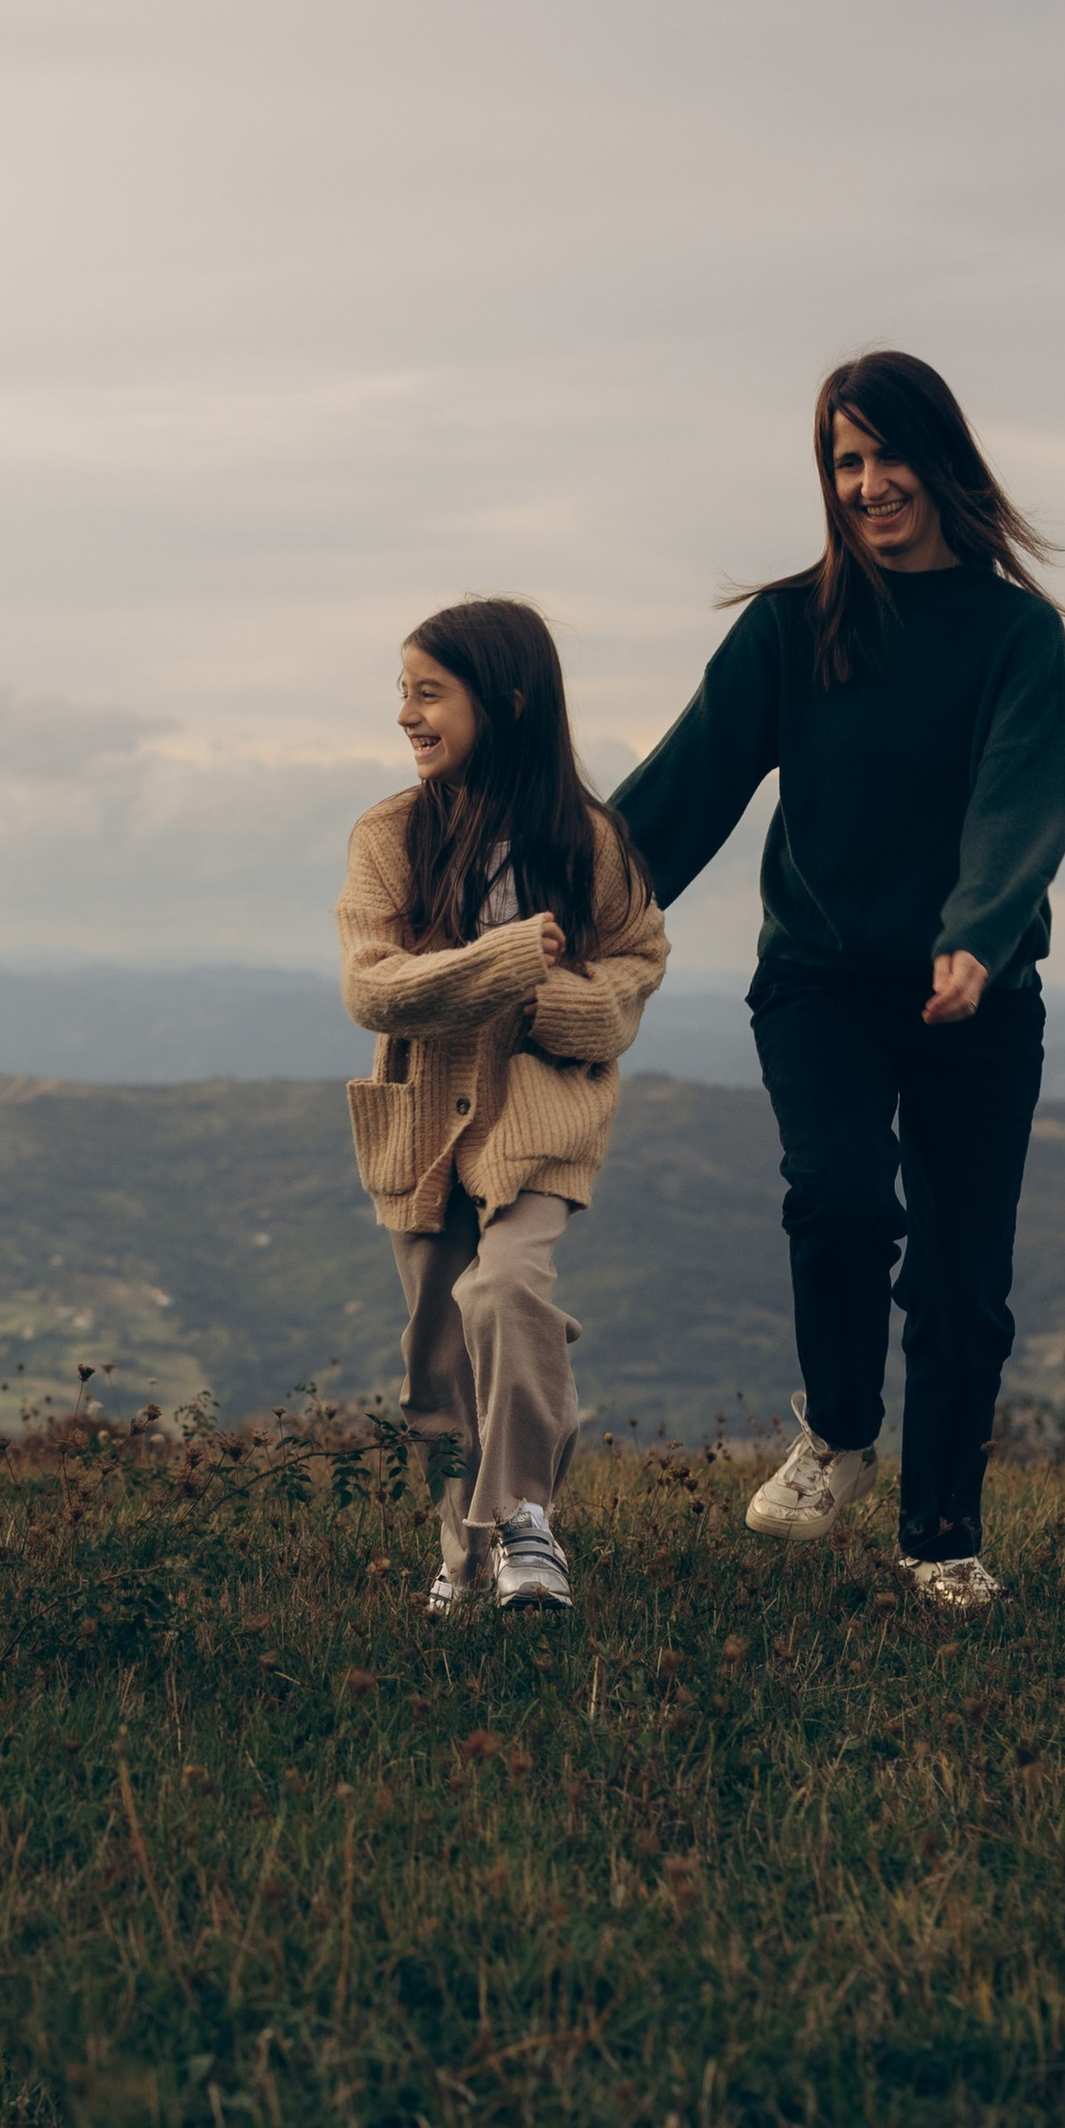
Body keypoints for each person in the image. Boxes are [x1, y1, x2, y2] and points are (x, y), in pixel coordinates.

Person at [613, 351, 1065, 1611]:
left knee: (962, 1283)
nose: (868, 484)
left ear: (942, 458)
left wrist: (978, 935)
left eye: (886, 454)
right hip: (819, 978)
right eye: (843, 461)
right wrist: (560, 908)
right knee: (837, 1198)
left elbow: (1021, 801)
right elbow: (682, 791)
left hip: (977, 995)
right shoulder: (788, 627)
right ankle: (835, 1434)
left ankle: (938, 1536)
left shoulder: (1014, 636)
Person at [338, 598, 669, 1617]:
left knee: (503, 1292)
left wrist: (552, 1002)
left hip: (538, 1123)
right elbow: (372, 989)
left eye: (428, 692)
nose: (406, 713)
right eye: (402, 693)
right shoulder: (390, 834)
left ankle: (527, 1517)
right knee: (435, 1363)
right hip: (424, 1129)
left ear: (509, 703)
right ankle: (463, 1561)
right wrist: (512, 956)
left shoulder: (589, 840)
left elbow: (635, 969)